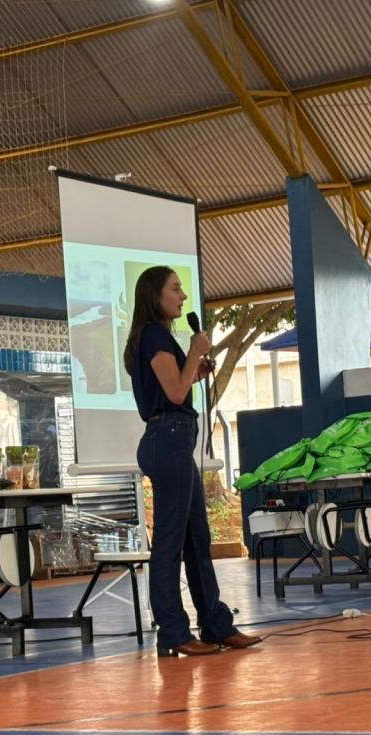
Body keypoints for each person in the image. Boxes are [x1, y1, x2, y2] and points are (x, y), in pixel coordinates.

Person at [123, 265, 260, 657]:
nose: (183, 296)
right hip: (167, 439)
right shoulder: (153, 335)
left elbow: (176, 385)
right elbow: (175, 394)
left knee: (197, 538)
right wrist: (196, 351)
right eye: (176, 289)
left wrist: (195, 370)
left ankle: (216, 624)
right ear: (155, 295)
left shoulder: (155, 337)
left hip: (174, 440)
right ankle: (173, 632)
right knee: (170, 541)